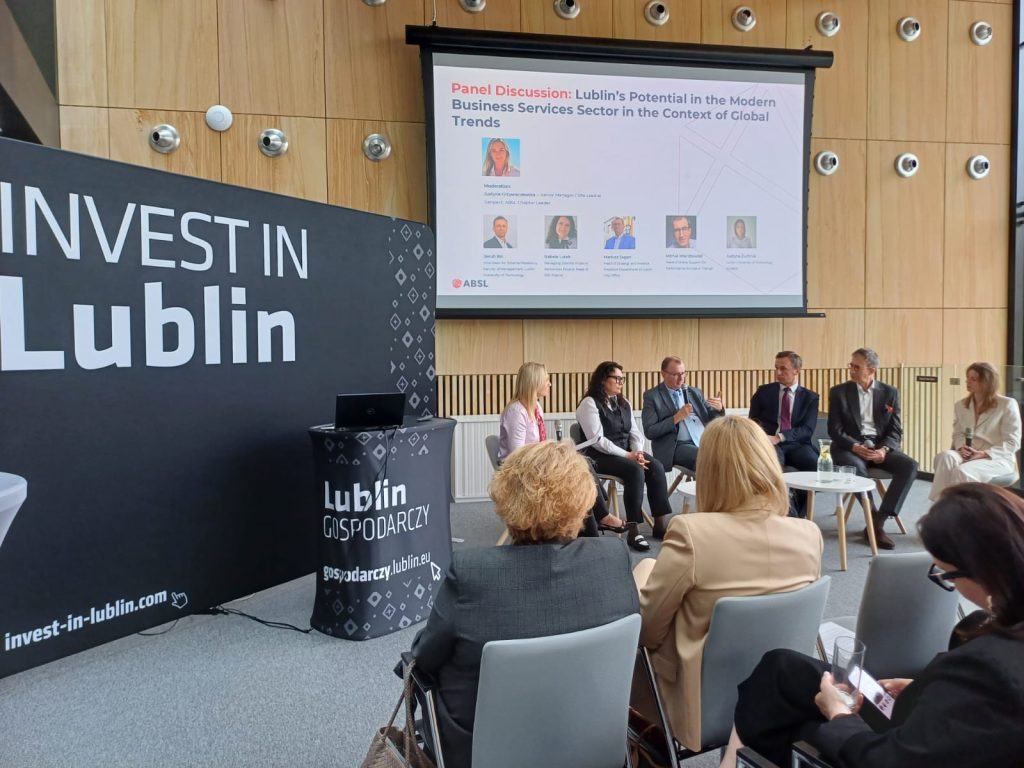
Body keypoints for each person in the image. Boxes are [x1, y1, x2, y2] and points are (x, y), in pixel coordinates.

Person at [721, 483, 1024, 768]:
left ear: (981, 568)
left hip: (899, 743)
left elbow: (890, 760)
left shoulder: (989, 669)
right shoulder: (999, 641)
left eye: (946, 576)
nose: (953, 586)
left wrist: (838, 715)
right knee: (781, 666)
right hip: (925, 712)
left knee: (792, 724)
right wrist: (925, 688)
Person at [410, 441, 640, 768]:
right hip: (590, 741)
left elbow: (425, 658)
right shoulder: (613, 559)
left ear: (506, 498)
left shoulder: (472, 574)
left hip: (483, 752)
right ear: (583, 501)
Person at [632, 416, 823, 752]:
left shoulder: (692, 534)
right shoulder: (809, 535)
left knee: (640, 584)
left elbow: (646, 632)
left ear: (710, 471)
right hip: (780, 695)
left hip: (702, 703)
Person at [497, 361, 625, 534]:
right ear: (535, 382)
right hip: (520, 472)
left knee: (579, 465)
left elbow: (536, 445)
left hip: (536, 464)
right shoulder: (516, 411)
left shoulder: (536, 407)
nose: (550, 384)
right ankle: (597, 524)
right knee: (574, 477)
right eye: (547, 380)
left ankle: (595, 525)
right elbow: (517, 455)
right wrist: (548, 454)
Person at [577, 361, 673, 551]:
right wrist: (629, 456)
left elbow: (635, 432)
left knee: (656, 467)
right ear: (604, 379)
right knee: (635, 469)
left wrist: (637, 452)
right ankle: (633, 529)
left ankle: (660, 524)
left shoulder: (624, 402)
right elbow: (598, 441)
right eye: (617, 379)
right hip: (599, 457)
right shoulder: (589, 404)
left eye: (623, 379)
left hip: (626, 453)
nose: (621, 382)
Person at [827, 348, 918, 550]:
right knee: (856, 469)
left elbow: (895, 430)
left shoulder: (890, 392)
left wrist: (884, 450)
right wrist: (855, 446)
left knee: (910, 466)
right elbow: (834, 430)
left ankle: (879, 520)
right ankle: (873, 518)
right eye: (851, 365)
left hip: (879, 447)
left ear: (872, 370)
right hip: (849, 447)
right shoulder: (839, 392)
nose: (851, 370)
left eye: (856, 366)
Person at [929, 362, 1021, 501]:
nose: (967, 381)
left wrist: (984, 454)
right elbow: (958, 433)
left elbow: (1012, 442)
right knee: (944, 457)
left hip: (996, 458)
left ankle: (958, 511)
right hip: (968, 453)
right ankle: (941, 503)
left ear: (987, 381)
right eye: (967, 377)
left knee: (962, 471)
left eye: (973, 378)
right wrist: (961, 447)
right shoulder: (960, 405)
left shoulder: (1006, 404)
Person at [749, 351, 820, 517]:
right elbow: (753, 421)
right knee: (772, 470)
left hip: (798, 444)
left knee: (815, 467)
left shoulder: (811, 398)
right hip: (768, 443)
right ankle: (788, 513)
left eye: (783, 369)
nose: (778, 373)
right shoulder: (763, 392)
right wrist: (764, 438)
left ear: (797, 370)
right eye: (776, 368)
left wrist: (780, 437)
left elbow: (807, 429)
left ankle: (798, 513)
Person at [642, 356, 724, 473]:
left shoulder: (694, 392)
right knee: (707, 459)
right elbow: (650, 431)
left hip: (704, 441)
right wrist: (676, 418)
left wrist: (719, 410)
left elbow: (712, 421)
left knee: (732, 455)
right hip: (677, 446)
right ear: (663, 374)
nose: (681, 379)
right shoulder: (652, 396)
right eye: (676, 374)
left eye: (683, 373)